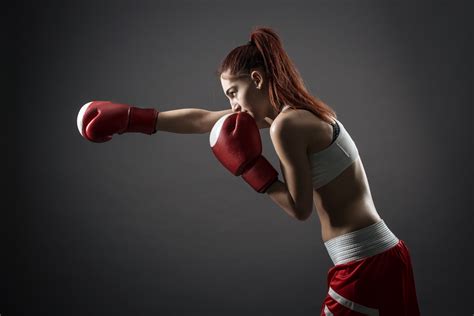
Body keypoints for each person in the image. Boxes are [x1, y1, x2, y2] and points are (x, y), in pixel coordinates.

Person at [77, 27, 420, 315]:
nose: (232, 106)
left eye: (233, 93)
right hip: (384, 255)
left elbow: (300, 210)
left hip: (364, 265)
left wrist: (251, 169)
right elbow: (203, 119)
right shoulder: (299, 112)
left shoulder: (287, 126)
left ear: (256, 79)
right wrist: (132, 119)